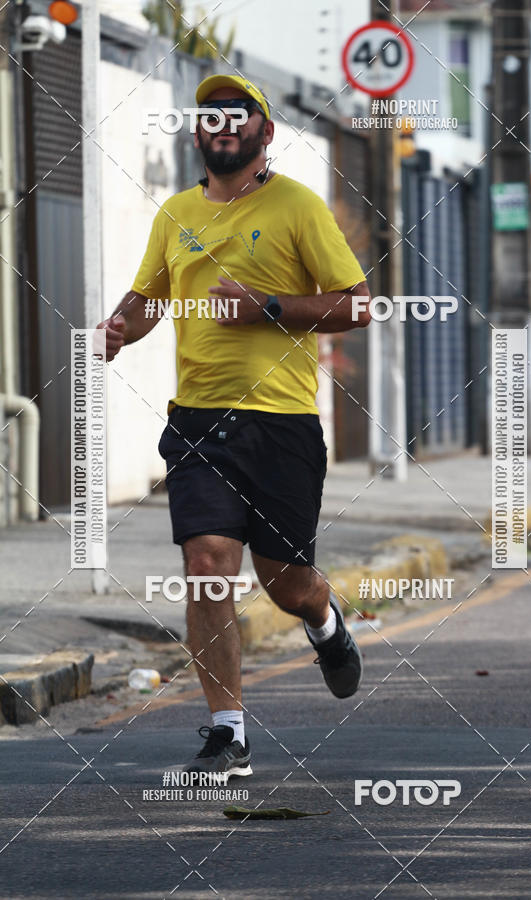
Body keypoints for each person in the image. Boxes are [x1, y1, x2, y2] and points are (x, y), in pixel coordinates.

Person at [96, 74, 372, 777]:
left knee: (287, 584)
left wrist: (267, 307)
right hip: (198, 422)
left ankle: (324, 620)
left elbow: (356, 305)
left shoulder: (297, 206)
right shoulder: (176, 213)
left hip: (281, 424)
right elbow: (150, 295)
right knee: (207, 565)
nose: (223, 125)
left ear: (265, 132)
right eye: (211, 115)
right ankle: (229, 735)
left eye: (238, 115)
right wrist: (120, 326)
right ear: (197, 132)